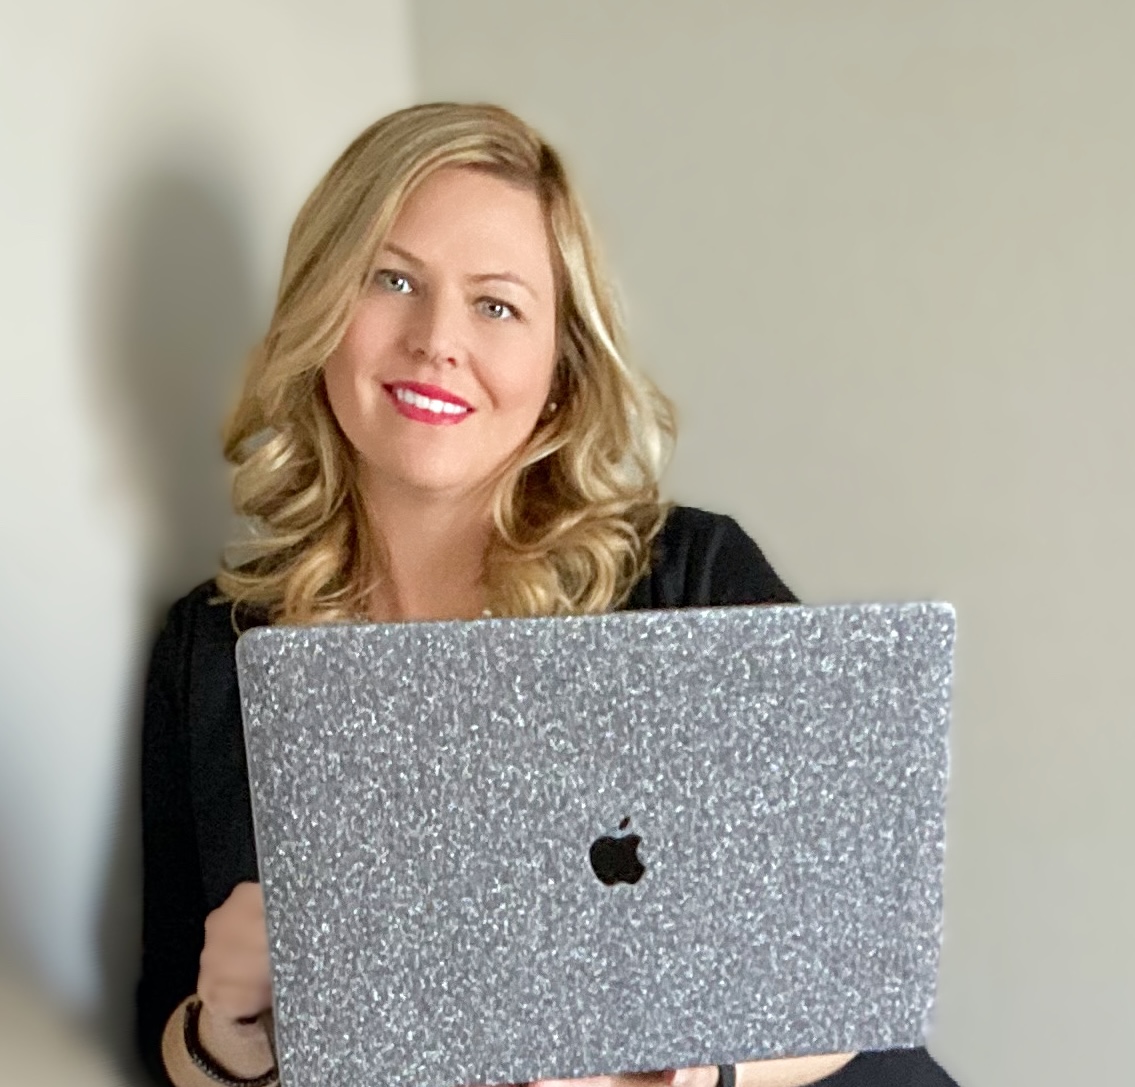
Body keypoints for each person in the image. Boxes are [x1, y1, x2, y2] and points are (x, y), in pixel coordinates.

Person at [135, 102, 959, 1087]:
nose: (437, 340)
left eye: (496, 305)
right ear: (322, 314)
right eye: (391, 279)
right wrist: (226, 1032)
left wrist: (656, 1076)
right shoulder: (215, 647)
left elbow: (849, 962)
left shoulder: (684, 579)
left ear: (559, 372)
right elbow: (169, 1032)